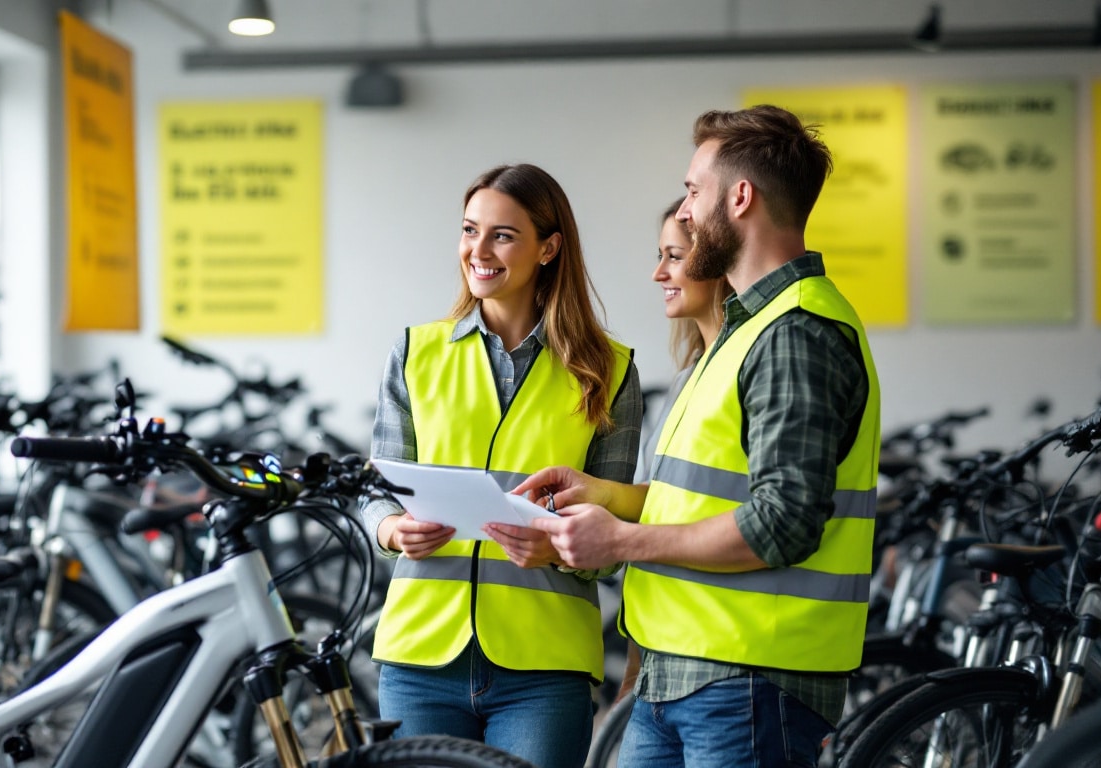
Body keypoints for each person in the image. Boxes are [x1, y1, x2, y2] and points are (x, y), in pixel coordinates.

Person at [517, 105, 882, 767]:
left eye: (693, 191)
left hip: (748, 682)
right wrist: (608, 495)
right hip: (683, 674)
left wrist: (623, 540)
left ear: (739, 197)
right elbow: (706, 495)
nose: (685, 212)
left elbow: (782, 524)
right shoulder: (750, 327)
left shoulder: (797, 333)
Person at [361, 163, 643, 768]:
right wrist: (392, 530)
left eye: (502, 235)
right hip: (420, 659)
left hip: (543, 668)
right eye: (469, 230)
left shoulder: (610, 371)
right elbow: (373, 494)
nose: (478, 250)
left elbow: (618, 536)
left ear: (549, 247)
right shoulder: (414, 353)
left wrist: (561, 549)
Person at [616, 197, 733, 704]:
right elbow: (658, 509)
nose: (659, 272)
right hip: (662, 646)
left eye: (675, 256)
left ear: (718, 264)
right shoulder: (688, 379)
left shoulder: (739, 371)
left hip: (717, 657)